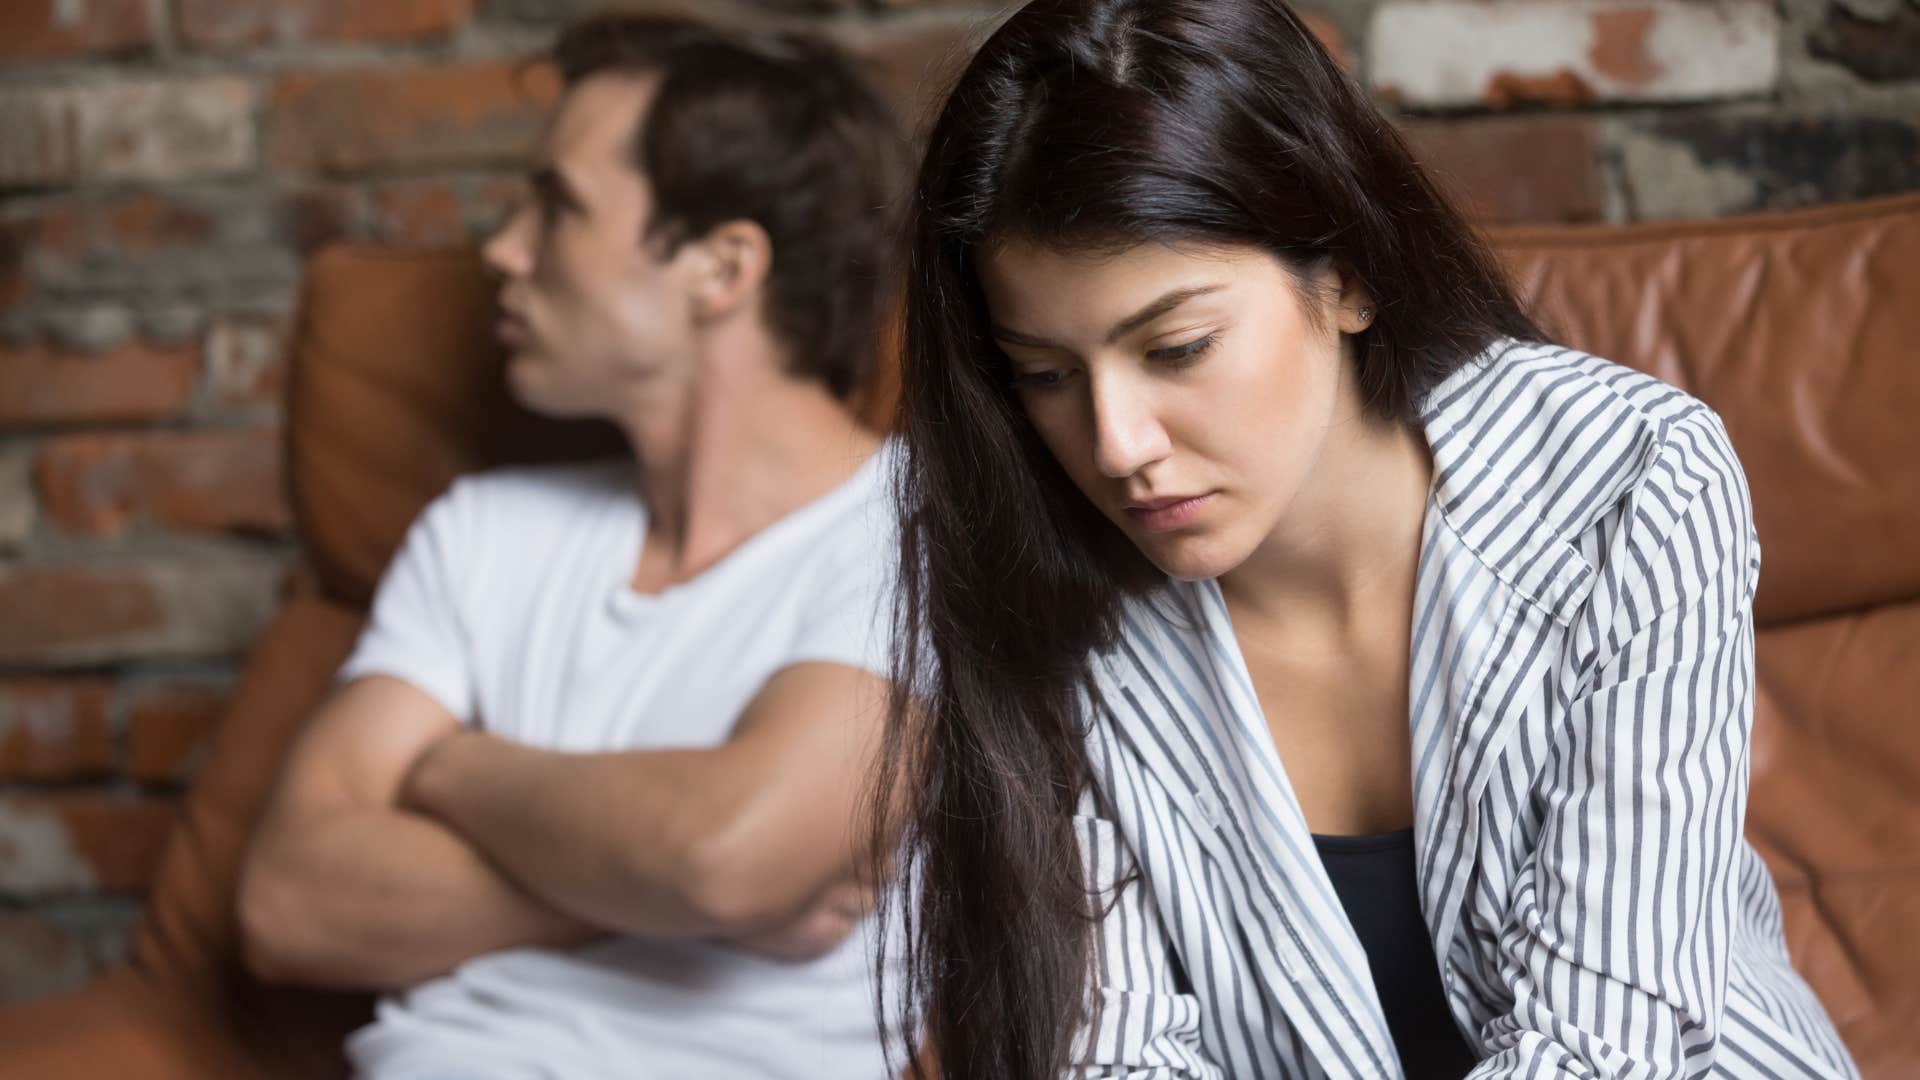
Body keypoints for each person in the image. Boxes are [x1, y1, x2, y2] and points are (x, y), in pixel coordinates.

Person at [871, 0, 1862, 1077]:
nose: (1116, 444)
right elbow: (1116, 1056)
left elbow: (1599, 1049)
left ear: (1345, 273)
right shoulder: (1043, 575)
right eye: (1046, 374)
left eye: (1178, 346)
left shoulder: (1629, 482)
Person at [237, 14, 911, 1079]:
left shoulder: (919, 537)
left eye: (557, 206)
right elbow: (286, 901)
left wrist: (453, 768)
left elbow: (721, 857)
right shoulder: (481, 530)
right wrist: (670, 901)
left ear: (720, 267)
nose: (503, 249)